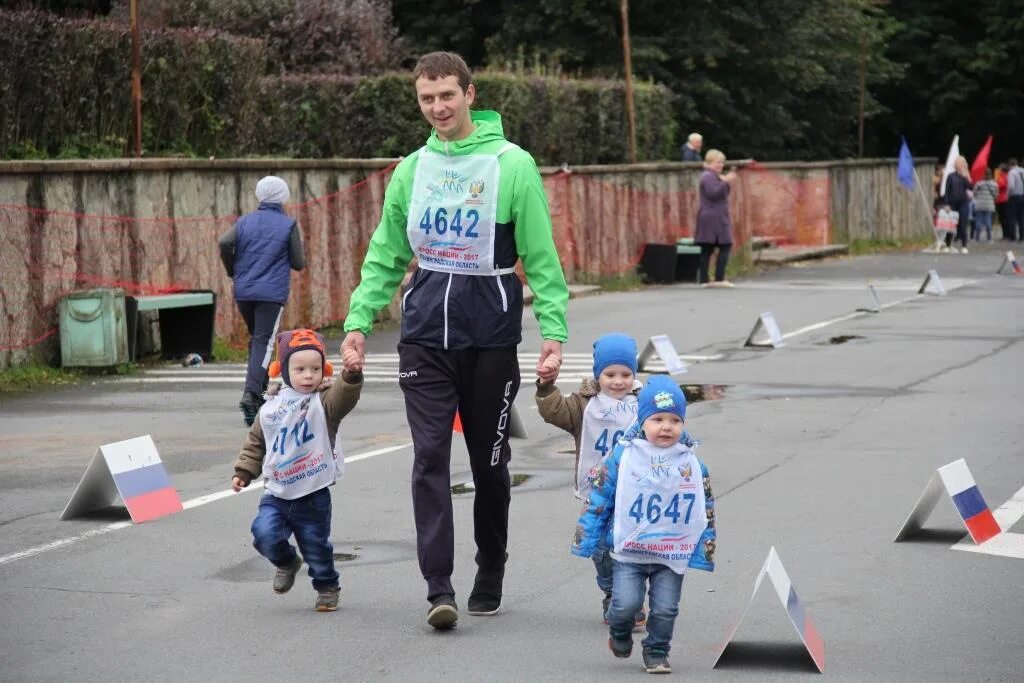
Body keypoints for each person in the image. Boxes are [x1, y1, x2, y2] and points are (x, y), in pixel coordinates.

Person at [338, 51, 570, 630]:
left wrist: (554, 331)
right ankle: (438, 587)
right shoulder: (411, 170)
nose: (437, 107)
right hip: (423, 338)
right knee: (429, 457)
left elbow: (539, 256)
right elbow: (386, 252)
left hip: (490, 337)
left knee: (489, 463)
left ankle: (490, 564)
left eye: (447, 95)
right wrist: (358, 323)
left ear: (470, 93)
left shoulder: (512, 164)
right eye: (426, 98)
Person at [571, 376, 716, 675]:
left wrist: (704, 548)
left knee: (665, 609)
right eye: (658, 418)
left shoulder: (691, 463)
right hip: (629, 551)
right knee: (625, 606)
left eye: (675, 420)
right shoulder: (623, 457)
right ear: (642, 420)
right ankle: (620, 633)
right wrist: (587, 537)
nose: (666, 426)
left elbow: (704, 510)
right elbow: (599, 497)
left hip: (670, 553)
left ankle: (657, 651)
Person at [231, 329, 364, 612]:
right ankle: (286, 561)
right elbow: (257, 441)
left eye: (315, 369)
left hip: (313, 491)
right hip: (277, 491)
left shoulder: (323, 402)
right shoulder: (271, 407)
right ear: (284, 371)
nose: (308, 375)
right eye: (300, 369)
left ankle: (327, 585)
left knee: (316, 546)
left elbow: (344, 397)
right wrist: (244, 470)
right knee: (263, 533)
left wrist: (350, 375)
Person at [535, 333, 646, 629]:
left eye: (625, 374)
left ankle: (631, 600)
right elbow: (554, 410)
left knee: (629, 546)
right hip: (596, 492)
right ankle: (612, 591)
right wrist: (546, 386)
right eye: (610, 374)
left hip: (633, 492)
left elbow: (666, 431)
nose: (618, 381)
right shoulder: (585, 405)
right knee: (598, 546)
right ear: (599, 375)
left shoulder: (644, 405)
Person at [218, 176, 306, 426]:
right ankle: (252, 394)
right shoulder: (287, 225)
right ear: (284, 196)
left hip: (244, 291)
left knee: (257, 340)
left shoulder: (244, 221)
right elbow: (298, 263)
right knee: (264, 341)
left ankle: (261, 390)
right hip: (271, 294)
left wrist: (232, 269)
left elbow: (225, 241)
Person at [695, 149, 737, 287]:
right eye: (718, 162)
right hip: (712, 216)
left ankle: (706, 279)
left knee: (710, 247)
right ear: (710, 162)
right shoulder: (708, 176)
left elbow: (723, 192)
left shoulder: (714, 176)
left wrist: (724, 181)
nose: (721, 165)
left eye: (722, 162)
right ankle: (716, 278)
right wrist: (726, 182)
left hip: (717, 215)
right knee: (722, 245)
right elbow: (714, 193)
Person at [940, 156, 973, 253]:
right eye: (956, 163)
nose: (958, 164)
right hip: (952, 203)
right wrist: (946, 204)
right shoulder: (951, 176)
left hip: (963, 202)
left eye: (960, 163)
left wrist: (966, 177)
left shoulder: (965, 176)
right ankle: (947, 245)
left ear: (963, 164)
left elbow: (970, 187)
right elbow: (947, 191)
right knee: (950, 225)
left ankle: (964, 245)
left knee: (963, 224)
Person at [972, 168, 998, 242]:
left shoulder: (979, 183)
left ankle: (977, 238)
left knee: (978, 222)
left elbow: (974, 193)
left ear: (984, 174)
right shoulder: (994, 184)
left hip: (979, 205)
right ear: (991, 174)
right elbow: (996, 196)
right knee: (988, 222)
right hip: (989, 206)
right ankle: (989, 238)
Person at [1006, 158, 1024, 242]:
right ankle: (1022, 236)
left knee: (1012, 217)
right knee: (1022, 217)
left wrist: (1008, 195)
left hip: (1014, 196)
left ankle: (1012, 236)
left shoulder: (1011, 172)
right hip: (1023, 196)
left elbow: (1011, 186)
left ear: (1010, 165)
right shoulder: (1023, 170)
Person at [995, 163, 1010, 240]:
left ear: (1002, 170)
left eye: (999, 169)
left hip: (1002, 200)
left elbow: (1001, 185)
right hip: (1005, 199)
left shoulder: (1002, 176)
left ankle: (1006, 235)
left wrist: (996, 182)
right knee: (1004, 218)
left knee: (1003, 218)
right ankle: (1006, 234)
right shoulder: (1007, 175)